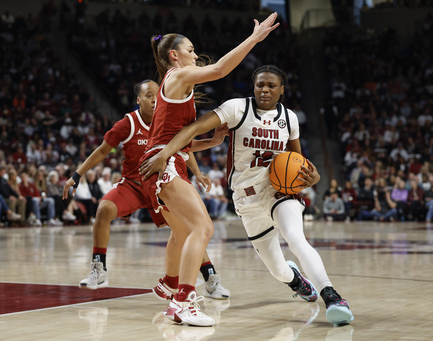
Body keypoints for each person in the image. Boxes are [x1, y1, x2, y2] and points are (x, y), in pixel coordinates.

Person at [140, 65, 354, 326]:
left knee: (296, 238)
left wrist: (315, 177)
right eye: (260, 85)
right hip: (246, 198)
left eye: (271, 86)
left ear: (282, 90)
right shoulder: (236, 109)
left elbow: (298, 160)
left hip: (278, 190)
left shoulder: (290, 118)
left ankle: (332, 297)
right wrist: (164, 153)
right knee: (278, 270)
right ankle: (296, 280)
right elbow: (194, 128)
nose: (265, 89)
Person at [138, 15, 280, 327]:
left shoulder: (175, 83)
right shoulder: (179, 75)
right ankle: (184, 301)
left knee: (184, 231)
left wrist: (210, 141)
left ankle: (169, 284)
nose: (194, 52)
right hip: (164, 163)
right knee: (204, 229)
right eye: (190, 48)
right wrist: (254, 39)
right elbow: (218, 69)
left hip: (161, 160)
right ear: (174, 55)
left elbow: (176, 139)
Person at [63, 80, 230, 301]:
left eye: (157, 95)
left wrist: (200, 167)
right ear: (138, 100)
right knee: (104, 209)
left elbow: (184, 146)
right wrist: (77, 174)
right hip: (133, 186)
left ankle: (210, 279)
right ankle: (99, 269)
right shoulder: (129, 123)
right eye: (149, 95)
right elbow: (103, 150)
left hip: (162, 188)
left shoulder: (166, 122)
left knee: (188, 230)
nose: (154, 99)